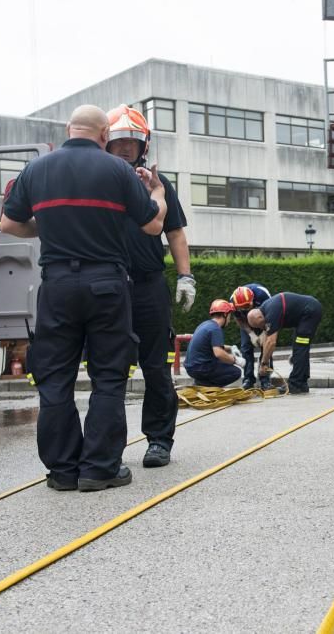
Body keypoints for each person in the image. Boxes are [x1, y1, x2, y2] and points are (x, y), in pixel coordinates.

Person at [1, 104, 166, 493]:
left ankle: (62, 471)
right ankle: (99, 469)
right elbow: (153, 224)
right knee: (107, 377)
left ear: (68, 130)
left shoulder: (37, 169)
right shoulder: (119, 171)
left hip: (57, 284)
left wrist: (53, 227)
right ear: (104, 136)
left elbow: (8, 223)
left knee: (55, 378)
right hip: (107, 284)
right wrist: (156, 191)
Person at [105, 105, 194, 469]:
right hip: (109, 285)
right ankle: (108, 447)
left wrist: (185, 275)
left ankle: (159, 440)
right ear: (105, 144)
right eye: (118, 141)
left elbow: (174, 232)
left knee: (155, 366)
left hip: (147, 285)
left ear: (144, 144)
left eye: (133, 141)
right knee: (109, 368)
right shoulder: (100, 181)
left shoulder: (159, 184)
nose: (126, 147)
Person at [245, 292, 322, 395]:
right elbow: (267, 338)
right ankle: (302, 383)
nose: (262, 328)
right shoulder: (266, 309)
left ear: (259, 318)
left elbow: (271, 342)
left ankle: (295, 384)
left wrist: (264, 363)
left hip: (310, 312)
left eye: (259, 326)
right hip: (308, 311)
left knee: (300, 346)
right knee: (300, 347)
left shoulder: (271, 313)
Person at [184, 300, 245, 387]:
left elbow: (213, 345)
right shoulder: (215, 329)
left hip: (192, 367)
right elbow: (219, 353)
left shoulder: (206, 324)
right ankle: (205, 386)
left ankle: (201, 383)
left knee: (222, 362)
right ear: (225, 314)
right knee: (235, 372)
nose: (229, 320)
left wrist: (231, 348)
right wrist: (236, 360)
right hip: (201, 368)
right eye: (229, 316)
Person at [229, 283, 273, 389]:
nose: (245, 310)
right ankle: (248, 378)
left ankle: (265, 379)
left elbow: (272, 316)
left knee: (266, 347)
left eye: (247, 307)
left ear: (253, 299)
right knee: (246, 348)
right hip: (246, 324)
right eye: (242, 308)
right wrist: (251, 334)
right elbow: (239, 319)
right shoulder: (232, 301)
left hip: (264, 320)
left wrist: (264, 333)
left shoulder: (263, 295)